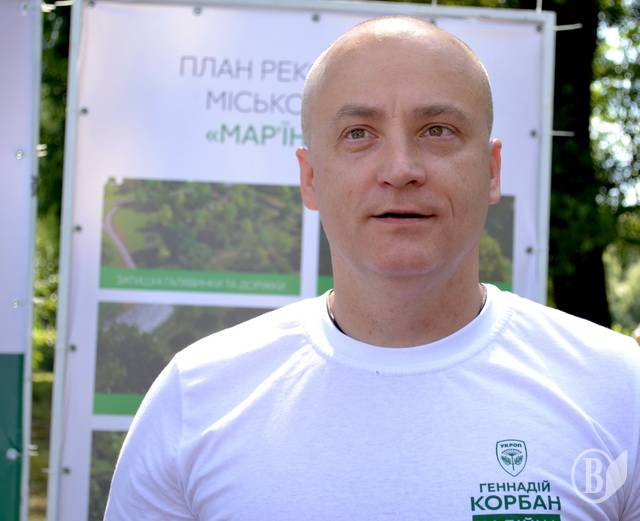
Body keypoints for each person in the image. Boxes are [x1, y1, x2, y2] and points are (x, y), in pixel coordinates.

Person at [104, 16, 640, 520]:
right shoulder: (195, 398)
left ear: (492, 171)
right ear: (311, 178)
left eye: (437, 130)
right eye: (359, 133)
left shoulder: (619, 389)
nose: (401, 169)